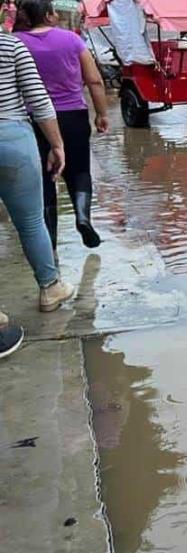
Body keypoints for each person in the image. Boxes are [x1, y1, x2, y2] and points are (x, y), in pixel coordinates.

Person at [0, 30, 77, 356]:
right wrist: (57, 144)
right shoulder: (9, 45)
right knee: (31, 220)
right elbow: (37, 98)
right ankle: (50, 288)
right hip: (12, 136)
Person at [14, 0, 110, 250]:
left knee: (44, 179)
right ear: (47, 16)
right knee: (79, 170)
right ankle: (82, 217)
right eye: (54, 11)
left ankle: (50, 244)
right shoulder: (71, 39)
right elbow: (95, 80)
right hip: (74, 116)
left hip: (33, 120)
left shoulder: (16, 44)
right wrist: (101, 113)